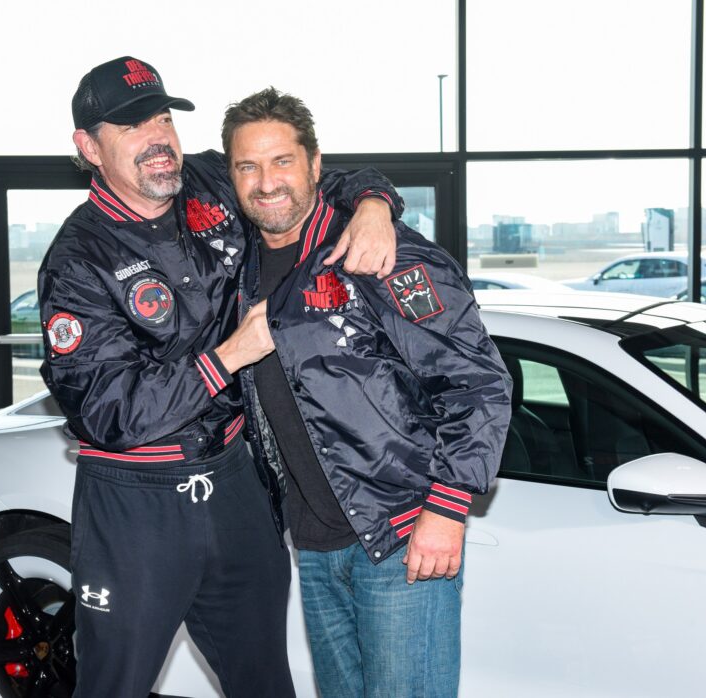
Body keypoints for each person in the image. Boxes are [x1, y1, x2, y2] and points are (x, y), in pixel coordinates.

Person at [37, 57, 404, 698]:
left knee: (265, 681)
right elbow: (106, 413)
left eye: (161, 116)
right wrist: (228, 356)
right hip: (136, 501)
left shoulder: (207, 177)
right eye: (130, 126)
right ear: (88, 147)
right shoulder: (77, 261)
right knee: (111, 686)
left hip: (234, 481)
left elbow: (307, 178)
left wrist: (374, 204)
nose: (157, 137)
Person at [219, 87, 512, 698]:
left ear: (315, 165)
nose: (266, 181)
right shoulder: (244, 265)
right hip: (317, 549)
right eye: (248, 165)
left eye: (282, 161)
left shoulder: (377, 252)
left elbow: (478, 383)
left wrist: (448, 507)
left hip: (401, 536)